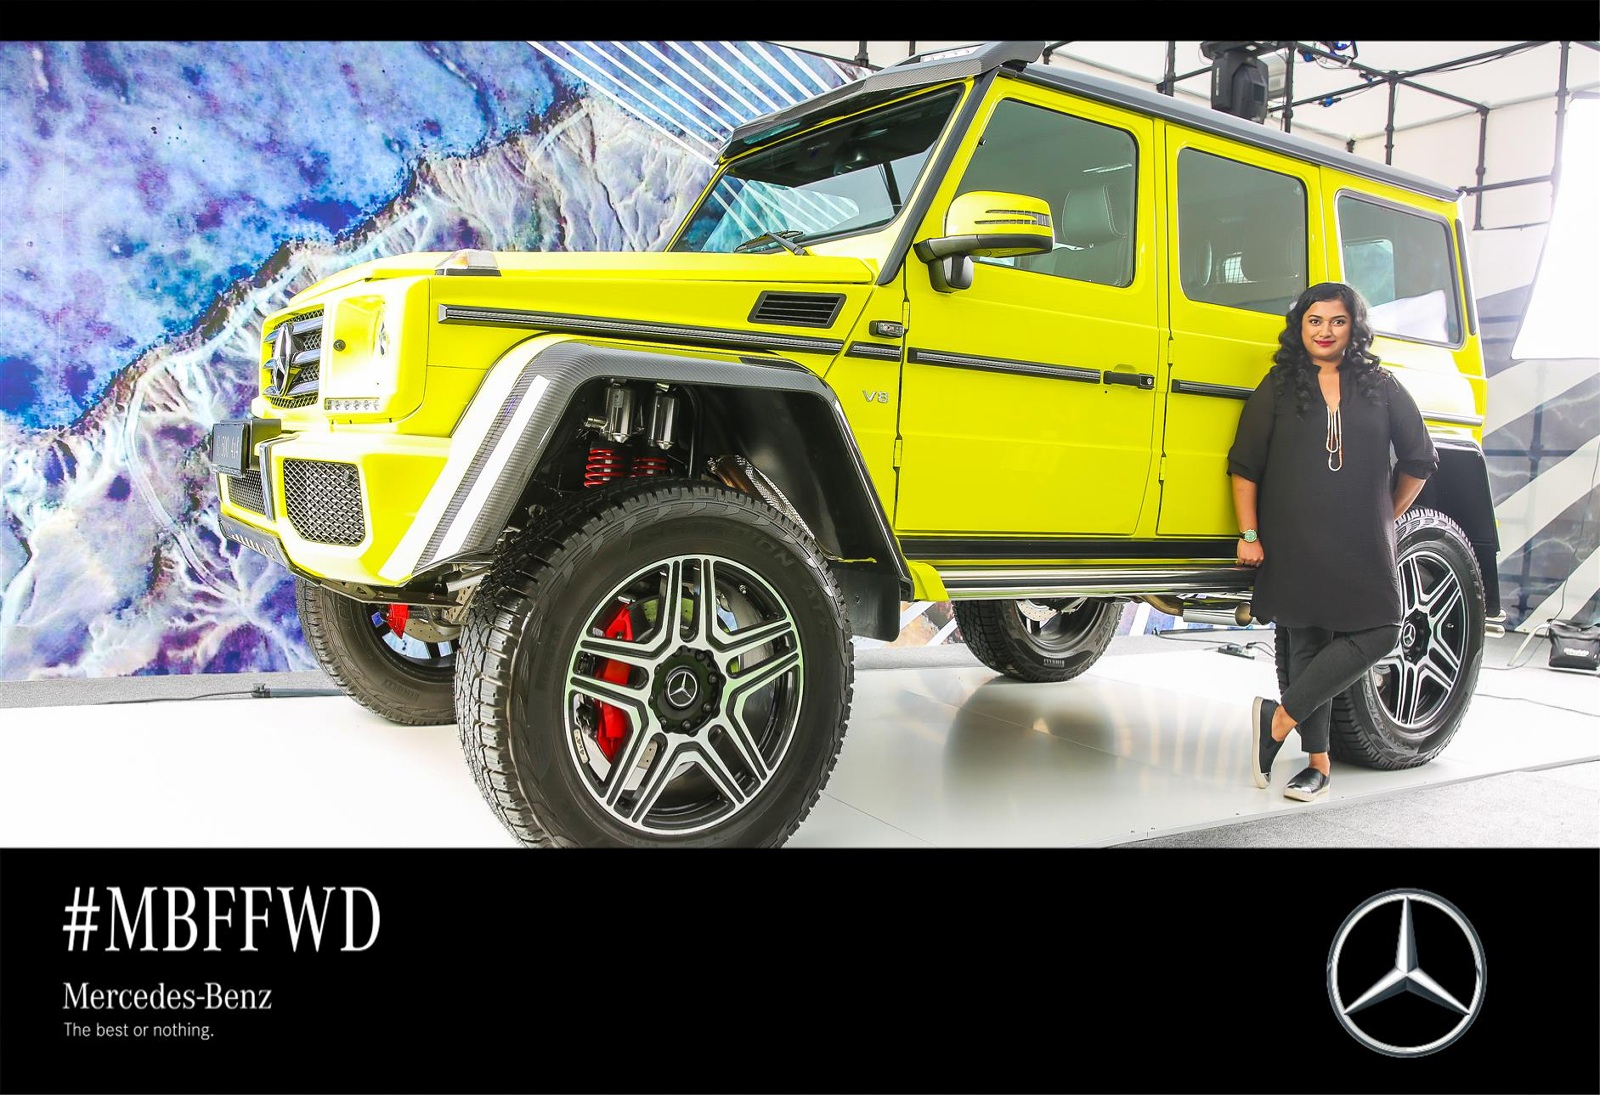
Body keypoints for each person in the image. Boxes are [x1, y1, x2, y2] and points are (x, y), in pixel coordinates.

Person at [1227, 281, 1438, 801]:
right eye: (1315, 320)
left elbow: (1420, 457)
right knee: (1306, 642)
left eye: (1337, 321)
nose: (1325, 331)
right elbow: (1244, 465)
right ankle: (1316, 764)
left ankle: (1278, 720)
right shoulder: (1279, 385)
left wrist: (1384, 515)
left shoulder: (1381, 386)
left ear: (1354, 327)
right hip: (1293, 536)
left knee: (1382, 629)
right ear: (1300, 327)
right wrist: (1249, 534)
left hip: (1360, 541)